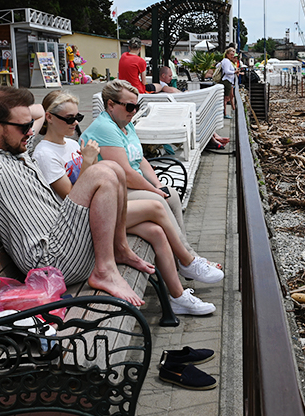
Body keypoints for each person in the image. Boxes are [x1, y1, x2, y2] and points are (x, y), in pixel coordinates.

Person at [0, 86, 153, 307]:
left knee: (114, 168)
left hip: (66, 242)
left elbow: (38, 112)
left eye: (30, 126)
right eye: (24, 127)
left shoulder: (18, 150)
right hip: (49, 262)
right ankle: (105, 271)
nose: (31, 132)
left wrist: (4, 110)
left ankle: (120, 249)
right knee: (102, 172)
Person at [32, 91, 220, 315]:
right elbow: (72, 199)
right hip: (81, 222)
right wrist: (88, 162)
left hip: (101, 210)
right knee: (156, 206)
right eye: (69, 119)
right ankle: (188, 261)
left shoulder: (71, 145)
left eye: (78, 118)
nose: (74, 123)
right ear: (50, 118)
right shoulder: (44, 154)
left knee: (157, 232)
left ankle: (177, 297)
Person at [80, 80, 223, 273]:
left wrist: (157, 184)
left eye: (137, 106)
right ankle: (187, 260)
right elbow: (126, 173)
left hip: (127, 188)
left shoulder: (125, 124)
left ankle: (188, 257)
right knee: (159, 200)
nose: (133, 111)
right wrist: (153, 190)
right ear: (111, 105)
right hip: (113, 193)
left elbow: (139, 160)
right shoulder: (105, 128)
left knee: (169, 193)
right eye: (129, 106)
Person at [218, 48, 238, 118]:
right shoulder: (226, 61)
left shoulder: (225, 61)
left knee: (226, 98)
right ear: (227, 54)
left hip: (228, 81)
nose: (232, 56)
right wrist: (234, 72)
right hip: (227, 81)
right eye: (231, 54)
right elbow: (227, 71)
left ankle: (224, 113)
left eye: (233, 54)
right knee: (226, 98)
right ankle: (224, 113)